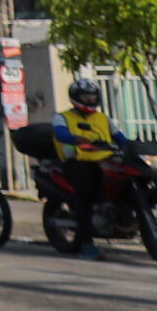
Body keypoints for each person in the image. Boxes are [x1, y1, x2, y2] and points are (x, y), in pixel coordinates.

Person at [55, 76, 123, 260]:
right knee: (85, 197)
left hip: (105, 161)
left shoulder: (103, 118)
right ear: (76, 97)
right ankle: (86, 244)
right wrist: (76, 139)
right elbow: (60, 133)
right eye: (86, 96)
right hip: (79, 162)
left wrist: (133, 146)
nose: (90, 100)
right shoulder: (63, 117)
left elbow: (120, 137)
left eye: (93, 96)